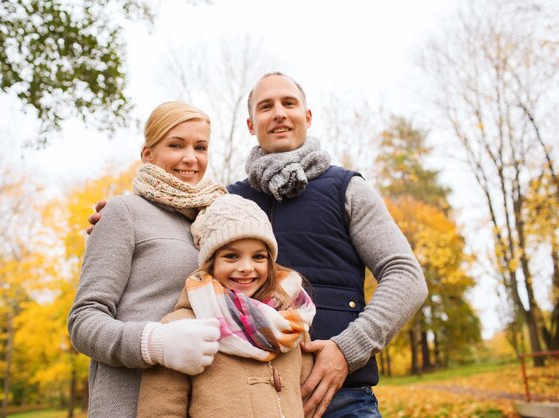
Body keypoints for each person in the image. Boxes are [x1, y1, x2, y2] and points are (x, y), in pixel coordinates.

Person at [88, 73, 428, 418]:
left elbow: (406, 277)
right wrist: (117, 217)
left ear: (307, 117)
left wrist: (347, 350)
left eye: (289, 103)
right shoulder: (224, 203)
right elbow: (166, 221)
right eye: (266, 107)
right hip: (248, 399)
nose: (278, 113)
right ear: (251, 124)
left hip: (342, 395)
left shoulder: (346, 189)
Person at [68, 101, 228, 417]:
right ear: (148, 154)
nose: (190, 157)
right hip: (129, 404)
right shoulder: (122, 213)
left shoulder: (219, 221)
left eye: (200, 147)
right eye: (175, 145)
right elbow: (83, 320)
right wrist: (155, 343)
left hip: (205, 403)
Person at [137, 194, 316, 417]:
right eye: (231, 256)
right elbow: (161, 410)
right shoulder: (181, 327)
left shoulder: (292, 323)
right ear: (211, 263)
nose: (246, 267)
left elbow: (307, 401)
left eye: (258, 257)